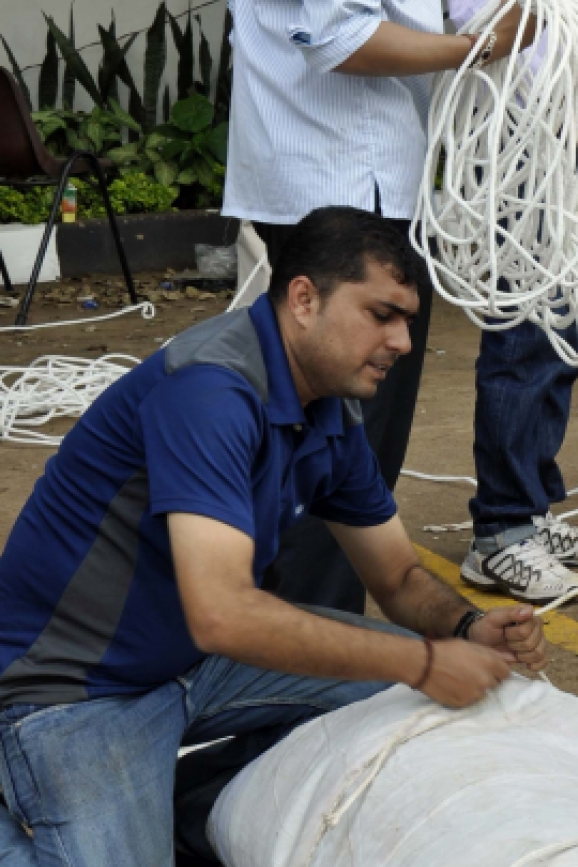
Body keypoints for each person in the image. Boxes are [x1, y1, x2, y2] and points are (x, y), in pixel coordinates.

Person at [0, 208, 548, 867]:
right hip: (73, 691)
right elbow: (224, 613)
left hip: (190, 666)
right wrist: (424, 663)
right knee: (411, 674)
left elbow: (398, 577)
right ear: (304, 300)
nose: (404, 341)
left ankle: (192, 809)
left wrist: (465, 629)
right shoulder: (211, 392)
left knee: (406, 695)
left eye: (408, 318)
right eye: (382, 314)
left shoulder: (328, 408)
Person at [197, 0, 529, 615]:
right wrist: (482, 44)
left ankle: (276, 638)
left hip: (292, 164)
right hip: (353, 175)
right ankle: (308, 654)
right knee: (351, 433)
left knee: (304, 416)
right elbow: (339, 34)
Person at [440, 0, 578, 605]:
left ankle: (531, 506)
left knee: (568, 333)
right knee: (526, 334)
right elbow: (478, 13)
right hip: (530, 134)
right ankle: (499, 531)